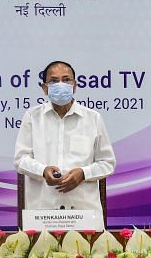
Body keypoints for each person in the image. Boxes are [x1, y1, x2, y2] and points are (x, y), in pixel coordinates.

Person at [14, 61, 116, 230]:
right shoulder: (32, 117)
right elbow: (20, 160)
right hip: (42, 214)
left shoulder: (93, 118)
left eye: (66, 80)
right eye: (53, 81)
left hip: (84, 214)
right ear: (44, 88)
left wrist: (83, 173)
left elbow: (107, 163)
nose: (60, 85)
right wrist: (43, 170)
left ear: (74, 86)